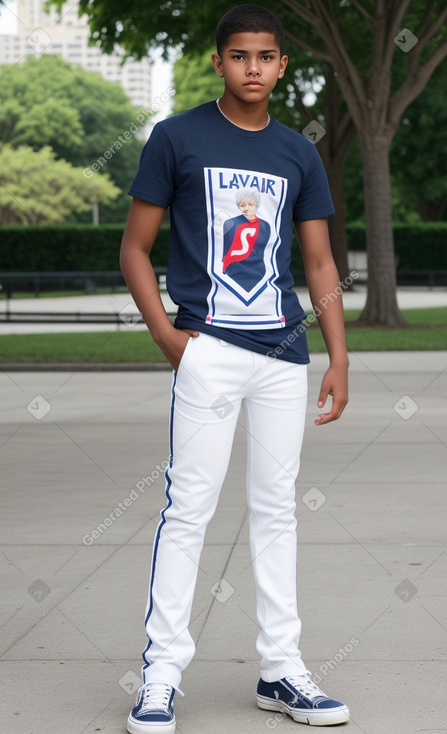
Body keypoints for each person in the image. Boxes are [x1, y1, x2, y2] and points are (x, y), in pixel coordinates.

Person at [120, 5, 350, 732]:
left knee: (275, 512)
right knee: (188, 510)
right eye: (239, 55)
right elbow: (134, 248)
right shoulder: (175, 138)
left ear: (283, 67)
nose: (253, 67)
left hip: (283, 354)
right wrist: (169, 339)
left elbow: (316, 261)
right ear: (218, 62)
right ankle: (160, 676)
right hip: (207, 351)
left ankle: (280, 670)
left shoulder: (297, 152)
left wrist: (339, 352)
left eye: (266, 57)